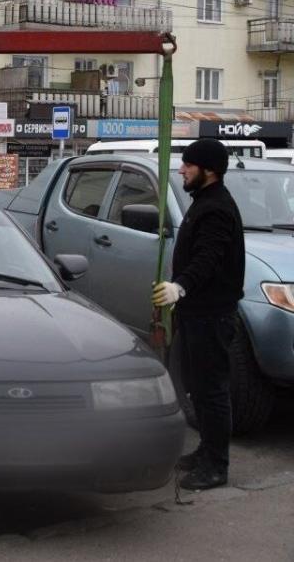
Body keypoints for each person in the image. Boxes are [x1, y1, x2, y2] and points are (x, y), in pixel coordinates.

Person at [153, 138, 245, 492]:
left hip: (211, 314)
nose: (181, 170)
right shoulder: (204, 202)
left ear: (208, 170)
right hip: (197, 313)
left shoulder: (216, 208)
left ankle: (216, 465)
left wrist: (180, 287)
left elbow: (208, 258)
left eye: (188, 165)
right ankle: (206, 451)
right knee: (198, 388)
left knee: (211, 390)